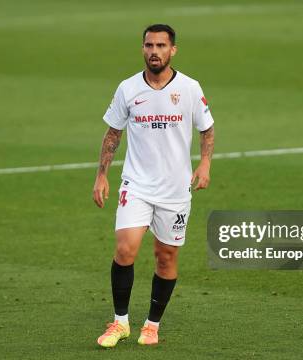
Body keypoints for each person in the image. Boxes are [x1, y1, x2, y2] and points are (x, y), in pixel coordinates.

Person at [92, 24, 215, 347]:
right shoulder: (128, 88)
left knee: (165, 258)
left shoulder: (189, 88)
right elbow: (112, 134)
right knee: (125, 249)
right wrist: (102, 175)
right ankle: (120, 323)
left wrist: (204, 164)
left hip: (175, 190)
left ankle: (152, 325)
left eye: (161, 45)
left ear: (172, 50)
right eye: (149, 45)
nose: (154, 51)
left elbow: (207, 129)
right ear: (142, 48)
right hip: (137, 184)